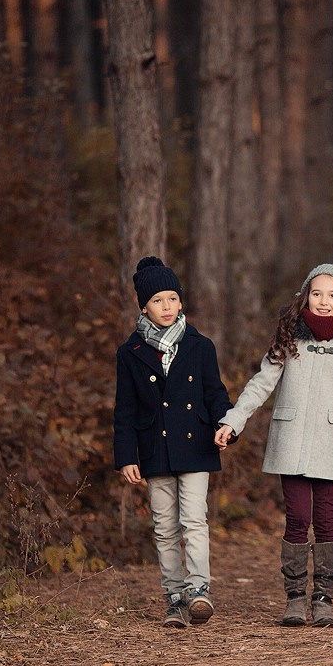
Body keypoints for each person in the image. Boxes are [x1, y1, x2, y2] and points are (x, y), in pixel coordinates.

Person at [214, 264, 333, 627]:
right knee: (297, 519)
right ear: (305, 296)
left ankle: (323, 599)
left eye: (332, 295)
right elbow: (262, 382)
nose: (323, 301)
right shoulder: (289, 335)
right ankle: (294, 597)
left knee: (326, 521)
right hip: (290, 440)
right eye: (317, 293)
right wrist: (233, 420)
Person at [113, 257, 233, 628]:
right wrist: (125, 455)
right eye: (157, 301)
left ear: (181, 302)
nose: (166, 307)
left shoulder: (200, 346)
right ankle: (175, 598)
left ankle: (199, 591)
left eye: (172, 299)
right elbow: (125, 409)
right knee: (164, 526)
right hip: (154, 449)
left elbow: (215, 394)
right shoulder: (130, 352)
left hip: (197, 445)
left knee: (194, 521)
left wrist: (227, 425)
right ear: (144, 307)